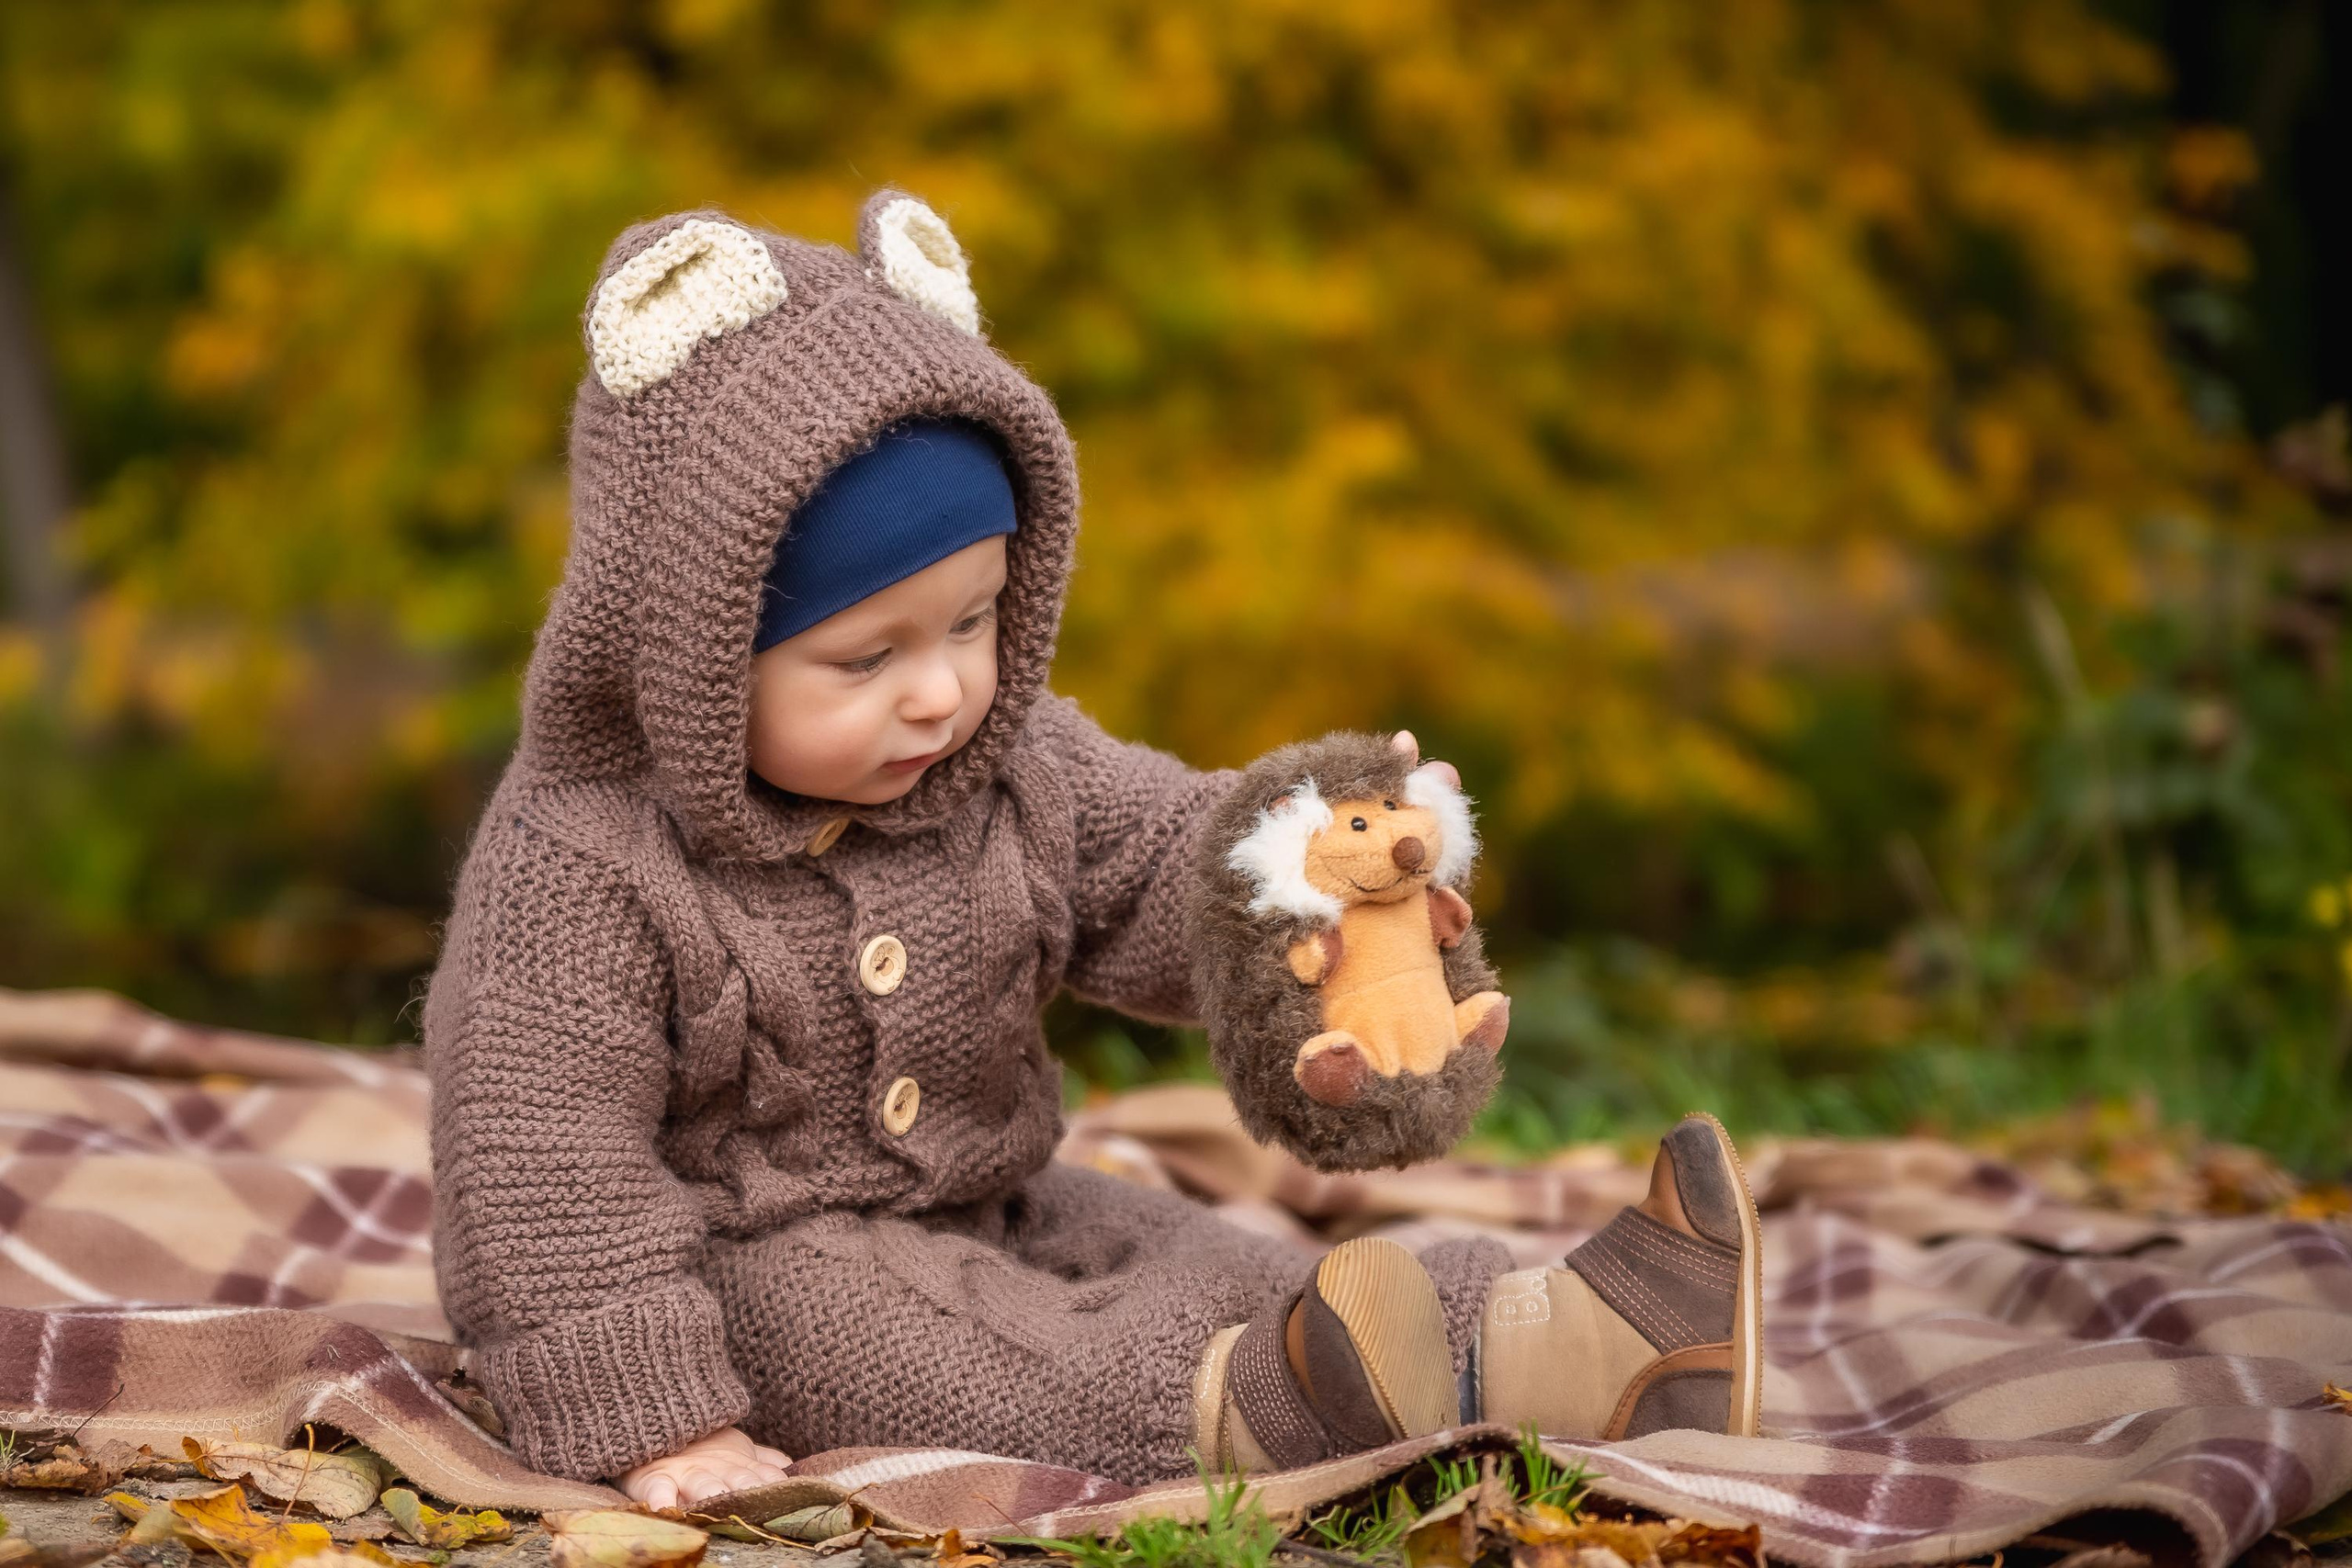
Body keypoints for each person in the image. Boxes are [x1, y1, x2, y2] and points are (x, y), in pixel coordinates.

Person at [421, 192, 1763, 1510]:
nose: (940, 693)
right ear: (688, 648)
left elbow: (1165, 861)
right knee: (996, 1363)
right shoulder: (583, 865)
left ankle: (1566, 1328)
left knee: (1208, 1262)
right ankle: (1281, 1408)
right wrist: (652, 1417)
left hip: (1008, 1199)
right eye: (864, 657)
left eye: (972, 621)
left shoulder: (1009, 770)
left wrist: (1318, 875)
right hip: (745, 1268)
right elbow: (539, 1164)